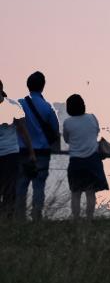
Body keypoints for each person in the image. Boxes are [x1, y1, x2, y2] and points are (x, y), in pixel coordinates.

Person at [16, 71, 61, 221]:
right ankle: (36, 216)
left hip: (22, 151)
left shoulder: (19, 104)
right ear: (43, 86)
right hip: (42, 152)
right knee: (39, 186)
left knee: (21, 185)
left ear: (28, 85)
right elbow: (55, 129)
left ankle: (19, 217)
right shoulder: (47, 107)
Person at [62, 94, 108, 220]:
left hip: (76, 161)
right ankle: (89, 219)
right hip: (92, 160)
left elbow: (66, 139)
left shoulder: (68, 123)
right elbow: (96, 132)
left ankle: (76, 219)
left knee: (75, 193)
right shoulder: (92, 118)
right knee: (90, 193)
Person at [0, 82, 30, 220]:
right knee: (10, 187)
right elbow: (23, 130)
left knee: (9, 187)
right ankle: (8, 217)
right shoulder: (13, 105)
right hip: (11, 153)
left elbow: (23, 130)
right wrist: (31, 152)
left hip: (10, 153)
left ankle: (6, 217)